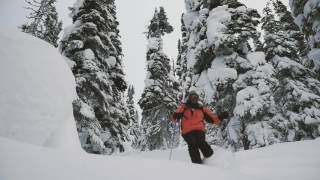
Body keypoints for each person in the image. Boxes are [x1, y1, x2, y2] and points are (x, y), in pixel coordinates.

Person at [172, 90, 221, 164]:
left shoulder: (201, 108)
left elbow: (212, 118)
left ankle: (210, 157)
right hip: (187, 131)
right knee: (192, 143)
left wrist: (221, 117)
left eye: (196, 98)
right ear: (190, 98)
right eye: (193, 97)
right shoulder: (184, 107)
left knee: (201, 141)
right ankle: (197, 163)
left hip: (199, 130)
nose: (194, 99)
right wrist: (176, 116)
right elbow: (175, 117)